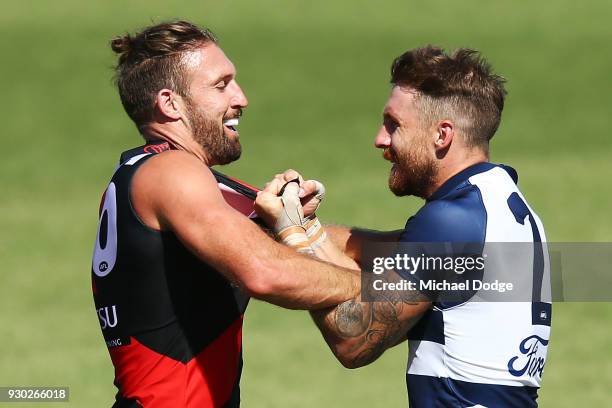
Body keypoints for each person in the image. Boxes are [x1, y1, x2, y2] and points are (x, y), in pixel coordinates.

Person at [255, 46, 552, 407]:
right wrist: (305, 225)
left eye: (394, 124)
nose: (380, 139)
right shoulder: (497, 207)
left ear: (442, 135)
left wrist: (289, 231)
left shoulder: (451, 222)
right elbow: (370, 272)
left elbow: (355, 341)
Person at [90, 20, 361, 408]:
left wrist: (450, 258)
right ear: (170, 104)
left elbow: (303, 243)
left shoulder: (179, 181)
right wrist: (386, 284)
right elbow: (266, 271)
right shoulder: (170, 175)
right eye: (221, 85)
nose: (242, 97)